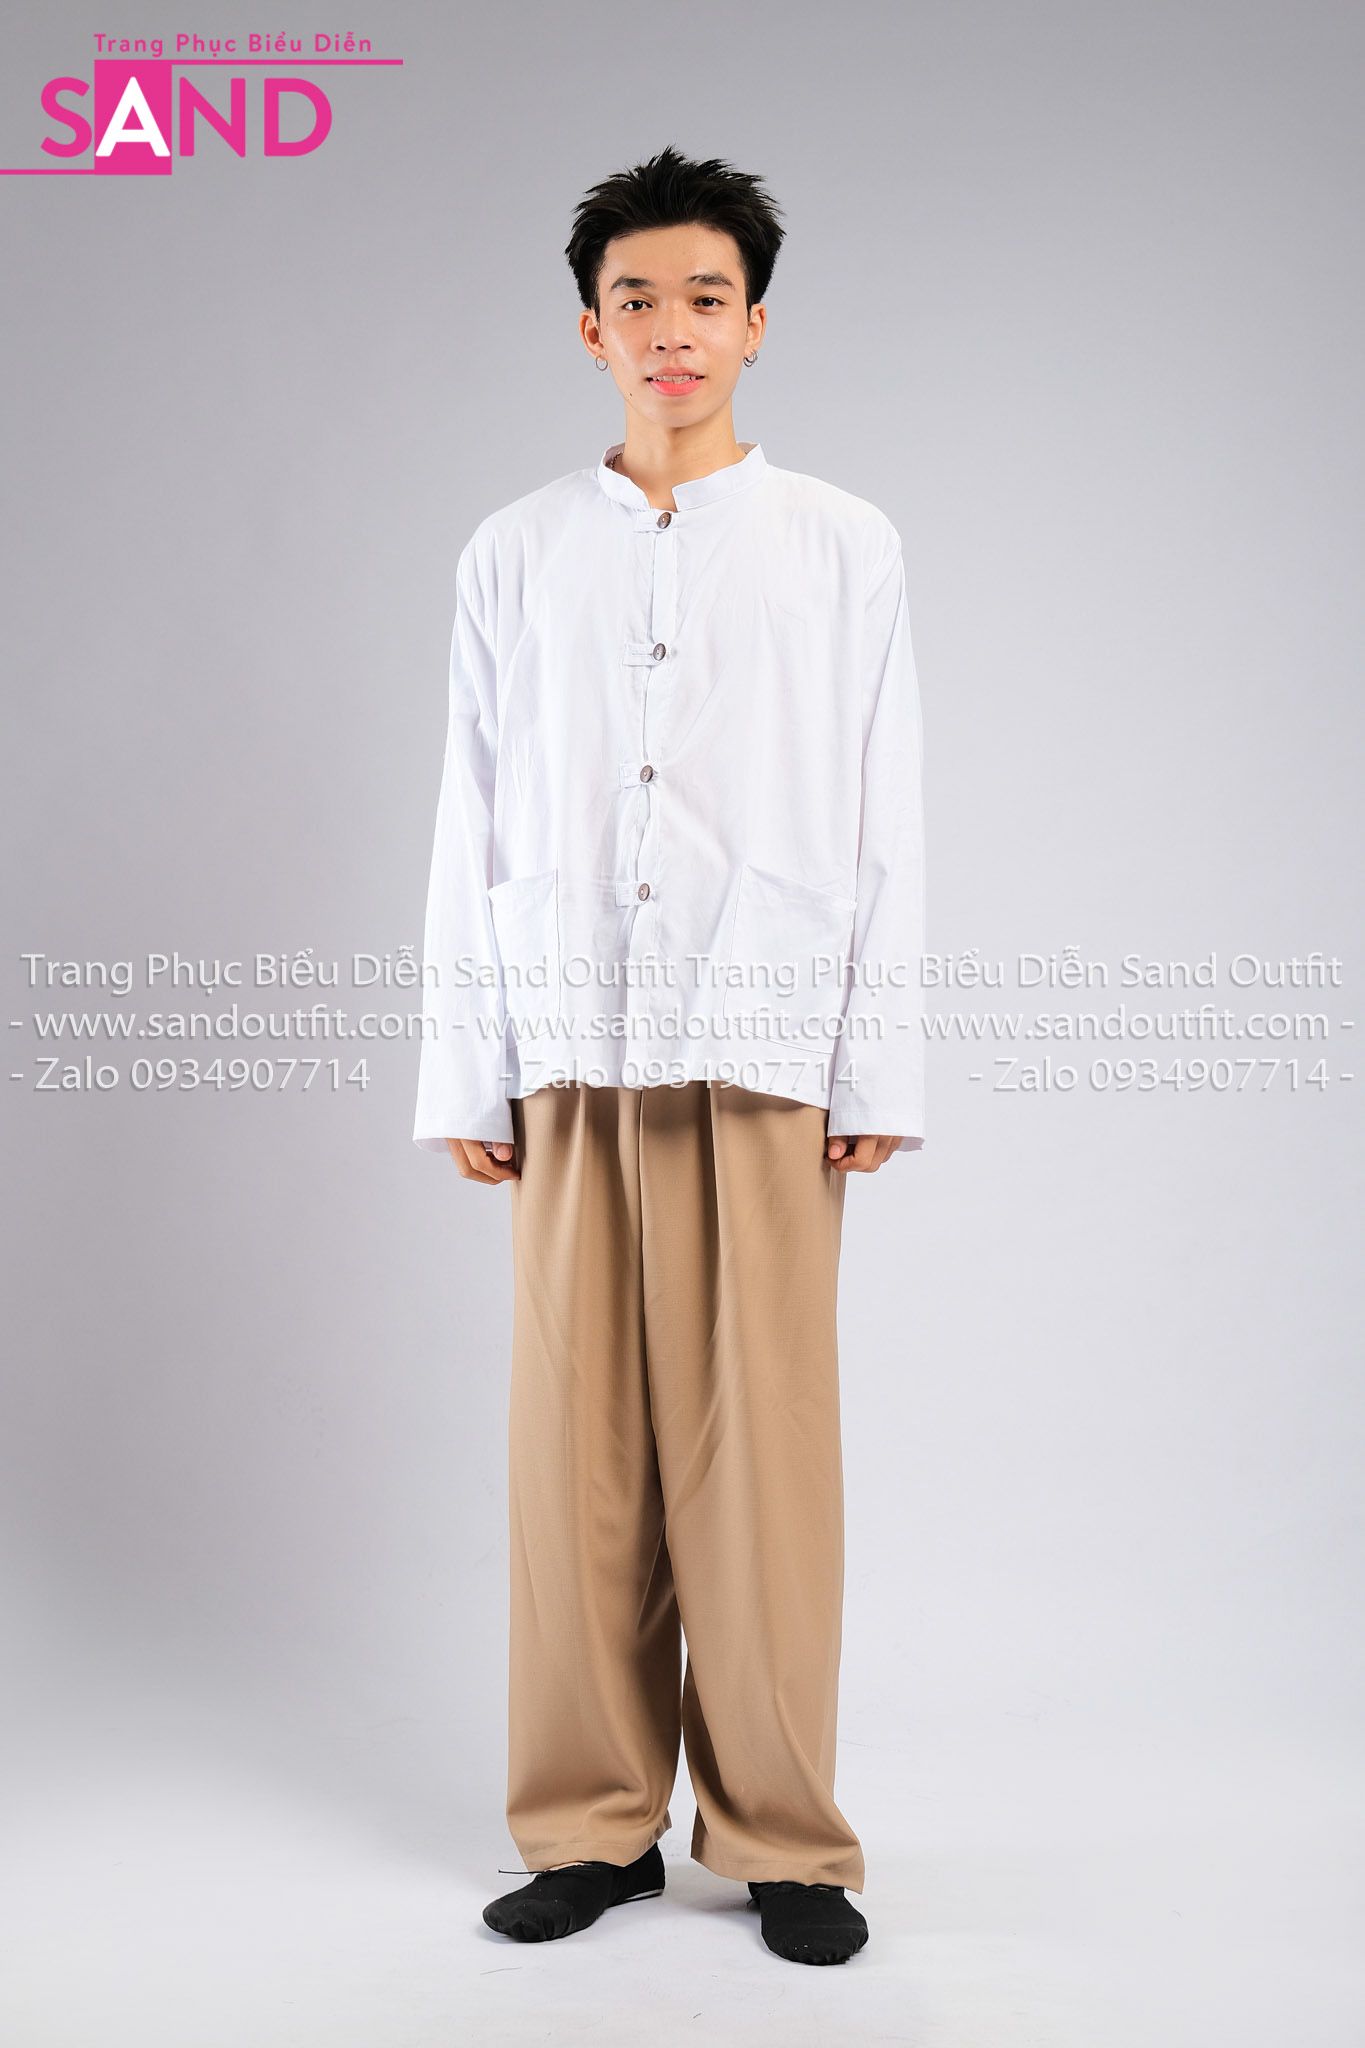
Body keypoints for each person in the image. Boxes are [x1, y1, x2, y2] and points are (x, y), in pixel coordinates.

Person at [414, 144, 925, 1967]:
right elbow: (471, 811)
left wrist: (876, 1067)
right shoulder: (514, 549)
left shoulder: (841, 544)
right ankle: (592, 1829)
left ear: (755, 324)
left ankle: (785, 1841)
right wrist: (465, 1066)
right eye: (635, 300)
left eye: (705, 297)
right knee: (577, 1466)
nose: (671, 330)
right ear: (590, 330)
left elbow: (884, 814)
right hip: (569, 1044)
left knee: (761, 1462)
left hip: (763, 1044)